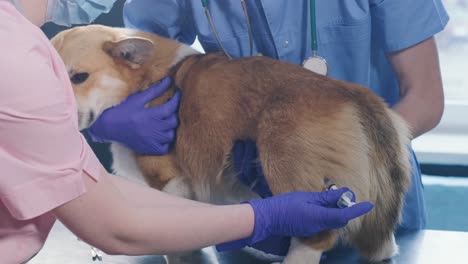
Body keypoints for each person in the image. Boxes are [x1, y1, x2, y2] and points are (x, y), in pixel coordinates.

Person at [0, 1, 374, 263]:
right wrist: (264, 217)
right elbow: (112, 226)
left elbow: (94, 190)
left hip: (351, 159)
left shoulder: (18, 43)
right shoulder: (17, 55)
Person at [121, 0, 449, 255]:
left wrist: (347, 160)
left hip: (370, 178)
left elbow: (425, 98)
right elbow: (133, 62)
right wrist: (116, 118)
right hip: (251, 189)